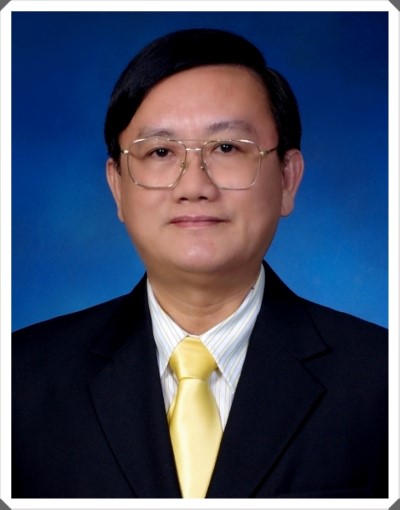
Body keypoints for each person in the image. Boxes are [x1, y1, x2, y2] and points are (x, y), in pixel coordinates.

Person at [12, 28, 387, 499]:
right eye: (160, 152)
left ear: (288, 179)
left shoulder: (382, 382)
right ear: (117, 186)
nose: (194, 185)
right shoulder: (19, 380)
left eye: (228, 148)